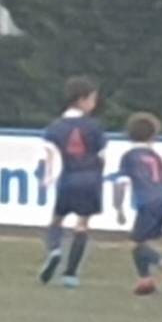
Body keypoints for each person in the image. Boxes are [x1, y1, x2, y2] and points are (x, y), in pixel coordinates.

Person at [39, 76, 106, 288]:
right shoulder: (94, 127)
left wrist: (47, 178)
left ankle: (55, 250)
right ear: (82, 100)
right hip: (90, 178)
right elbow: (102, 156)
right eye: (92, 99)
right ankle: (71, 274)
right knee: (82, 224)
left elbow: (50, 155)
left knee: (56, 219)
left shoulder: (55, 127)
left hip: (68, 177)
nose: (94, 103)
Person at [111, 113, 162, 296]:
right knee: (142, 241)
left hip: (148, 202)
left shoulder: (129, 156)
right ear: (153, 135)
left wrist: (118, 208)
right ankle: (146, 280)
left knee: (135, 243)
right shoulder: (155, 156)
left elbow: (120, 183)